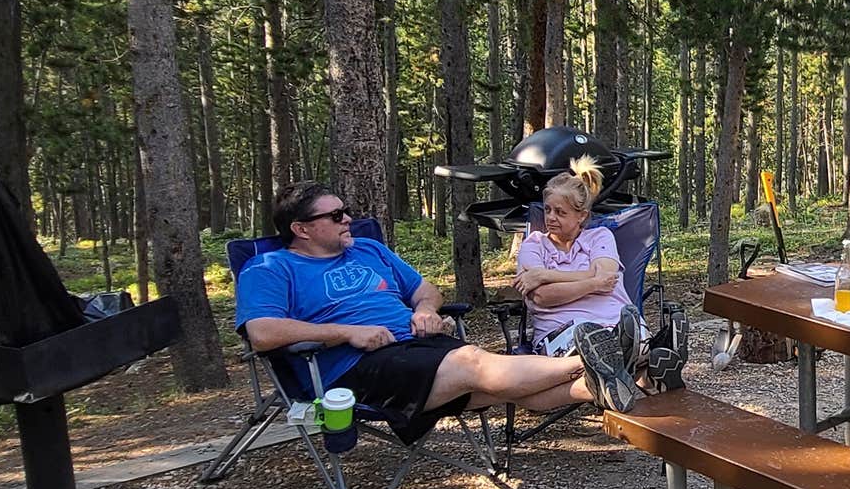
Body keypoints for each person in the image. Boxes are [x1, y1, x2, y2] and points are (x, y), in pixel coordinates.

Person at [235, 181, 636, 436]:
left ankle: (601, 380)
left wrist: (425, 309)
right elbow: (263, 332)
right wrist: (345, 333)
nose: (349, 220)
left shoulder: (369, 249)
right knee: (476, 365)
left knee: (509, 388)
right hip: (353, 367)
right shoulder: (271, 268)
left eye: (347, 211)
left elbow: (425, 289)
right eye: (336, 215)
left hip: (417, 348)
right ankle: (599, 360)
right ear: (301, 229)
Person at [513, 159, 642, 368]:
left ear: (581, 216)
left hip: (615, 322)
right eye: (547, 210)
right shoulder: (533, 244)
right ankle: (635, 355)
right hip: (562, 333)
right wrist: (593, 283)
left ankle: (634, 351)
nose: (551, 218)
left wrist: (545, 275)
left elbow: (607, 275)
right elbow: (542, 296)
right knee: (589, 342)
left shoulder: (600, 236)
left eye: (560, 212)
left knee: (623, 337)